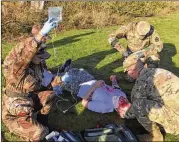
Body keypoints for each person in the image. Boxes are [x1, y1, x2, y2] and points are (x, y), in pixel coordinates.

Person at [2, 18, 63, 141]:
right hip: (14, 112)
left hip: (28, 100)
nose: (42, 59)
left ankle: (42, 122)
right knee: (41, 133)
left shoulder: (37, 66)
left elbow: (41, 87)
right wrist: (40, 35)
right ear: (32, 55)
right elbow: (26, 52)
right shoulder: (17, 69)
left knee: (50, 95)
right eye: (39, 56)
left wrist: (57, 82)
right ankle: (26, 129)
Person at [117, 54, 179, 141]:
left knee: (139, 105)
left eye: (127, 72)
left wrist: (125, 114)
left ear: (131, 71)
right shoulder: (159, 70)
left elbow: (135, 109)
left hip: (176, 121)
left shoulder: (140, 83)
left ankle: (156, 137)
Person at [56, 67, 130, 114]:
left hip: (81, 88)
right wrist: (114, 81)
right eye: (126, 100)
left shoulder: (105, 106)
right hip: (91, 80)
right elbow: (116, 89)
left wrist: (94, 87)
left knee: (64, 81)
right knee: (78, 71)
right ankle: (65, 70)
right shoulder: (123, 96)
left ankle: (54, 79)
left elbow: (84, 103)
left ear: (118, 109)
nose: (123, 99)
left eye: (122, 102)